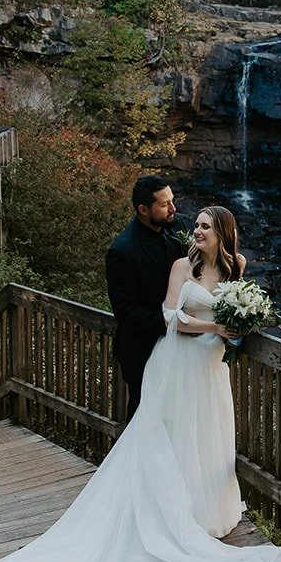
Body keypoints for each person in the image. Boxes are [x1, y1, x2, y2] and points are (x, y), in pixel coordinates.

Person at [0, 203, 281, 562]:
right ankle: (166, 518)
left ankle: (199, 513)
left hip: (210, 367)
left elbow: (236, 314)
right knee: (166, 437)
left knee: (204, 432)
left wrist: (241, 323)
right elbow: (171, 317)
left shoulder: (237, 266)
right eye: (195, 225)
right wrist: (215, 329)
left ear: (223, 233)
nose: (196, 231)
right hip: (175, 362)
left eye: (205, 227)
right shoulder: (181, 267)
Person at [106, 175, 188, 420]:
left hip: (181, 349)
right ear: (143, 209)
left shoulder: (178, 226)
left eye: (172, 201)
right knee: (144, 417)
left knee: (178, 414)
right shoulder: (122, 251)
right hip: (143, 350)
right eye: (165, 205)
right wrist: (168, 322)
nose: (173, 209)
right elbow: (124, 309)